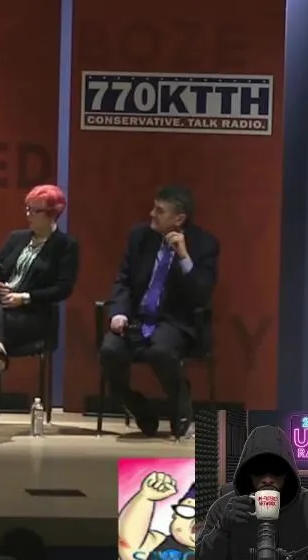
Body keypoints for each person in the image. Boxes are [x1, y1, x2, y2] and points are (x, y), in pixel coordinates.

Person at [98, 185, 219, 439]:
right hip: (137, 319)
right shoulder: (140, 236)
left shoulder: (204, 244)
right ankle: (137, 406)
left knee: (160, 351)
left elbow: (201, 294)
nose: (152, 214)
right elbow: (123, 280)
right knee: (109, 351)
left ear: (179, 218)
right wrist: (119, 312)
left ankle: (180, 403)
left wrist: (184, 256)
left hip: (175, 322)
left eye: (160, 210)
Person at [0, 184, 78, 435]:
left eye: (34, 210)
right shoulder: (17, 238)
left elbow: (63, 289)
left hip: (30, 316)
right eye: (27, 209)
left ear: (52, 214)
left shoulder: (66, 246)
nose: (28, 214)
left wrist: (23, 298)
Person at [199, 425, 308, 559]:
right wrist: (222, 529)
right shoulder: (223, 508)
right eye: (259, 470)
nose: (268, 479)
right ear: (248, 473)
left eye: (277, 470)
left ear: (287, 473)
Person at [118, 473, 195, 560]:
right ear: (175, 515)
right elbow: (129, 544)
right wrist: (146, 497)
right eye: (188, 511)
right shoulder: (159, 545)